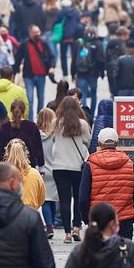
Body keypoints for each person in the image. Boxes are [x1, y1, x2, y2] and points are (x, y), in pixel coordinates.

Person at [79, 127, 134, 239]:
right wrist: (132, 216)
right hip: (124, 221)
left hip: (98, 221)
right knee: (123, 254)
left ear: (99, 144)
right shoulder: (129, 164)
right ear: (117, 143)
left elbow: (83, 198)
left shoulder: (90, 165)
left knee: (99, 254)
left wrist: (87, 218)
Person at [52, 97, 91, 242]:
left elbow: (54, 140)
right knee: (78, 198)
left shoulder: (56, 123)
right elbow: (87, 142)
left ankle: (67, 233)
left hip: (59, 166)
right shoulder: (82, 124)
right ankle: (76, 227)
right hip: (77, 166)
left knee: (64, 200)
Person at [0, 98, 44, 170]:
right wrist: (41, 165)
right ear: (24, 111)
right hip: (29, 167)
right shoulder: (32, 126)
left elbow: (0, 150)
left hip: (9, 169)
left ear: (11, 111)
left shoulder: (4, 128)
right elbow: (38, 148)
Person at [18, 24, 54, 115]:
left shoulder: (43, 43)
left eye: (38, 32)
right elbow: (18, 59)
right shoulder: (24, 44)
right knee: (29, 99)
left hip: (41, 75)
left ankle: (39, 119)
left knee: (41, 98)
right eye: (35, 32)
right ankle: (30, 121)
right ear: (30, 33)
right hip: (28, 76)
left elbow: (51, 56)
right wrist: (14, 73)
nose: (37, 34)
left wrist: (51, 67)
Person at [2, 139, 45, 210]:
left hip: (8, 215)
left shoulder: (2, 174)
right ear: (26, 153)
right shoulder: (34, 174)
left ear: (7, 154)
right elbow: (41, 198)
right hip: (30, 214)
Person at [37, 107, 60, 233]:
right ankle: (52, 223)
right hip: (55, 169)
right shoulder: (55, 136)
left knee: (45, 200)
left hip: (42, 170)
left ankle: (49, 225)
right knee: (53, 200)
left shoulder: (36, 135)